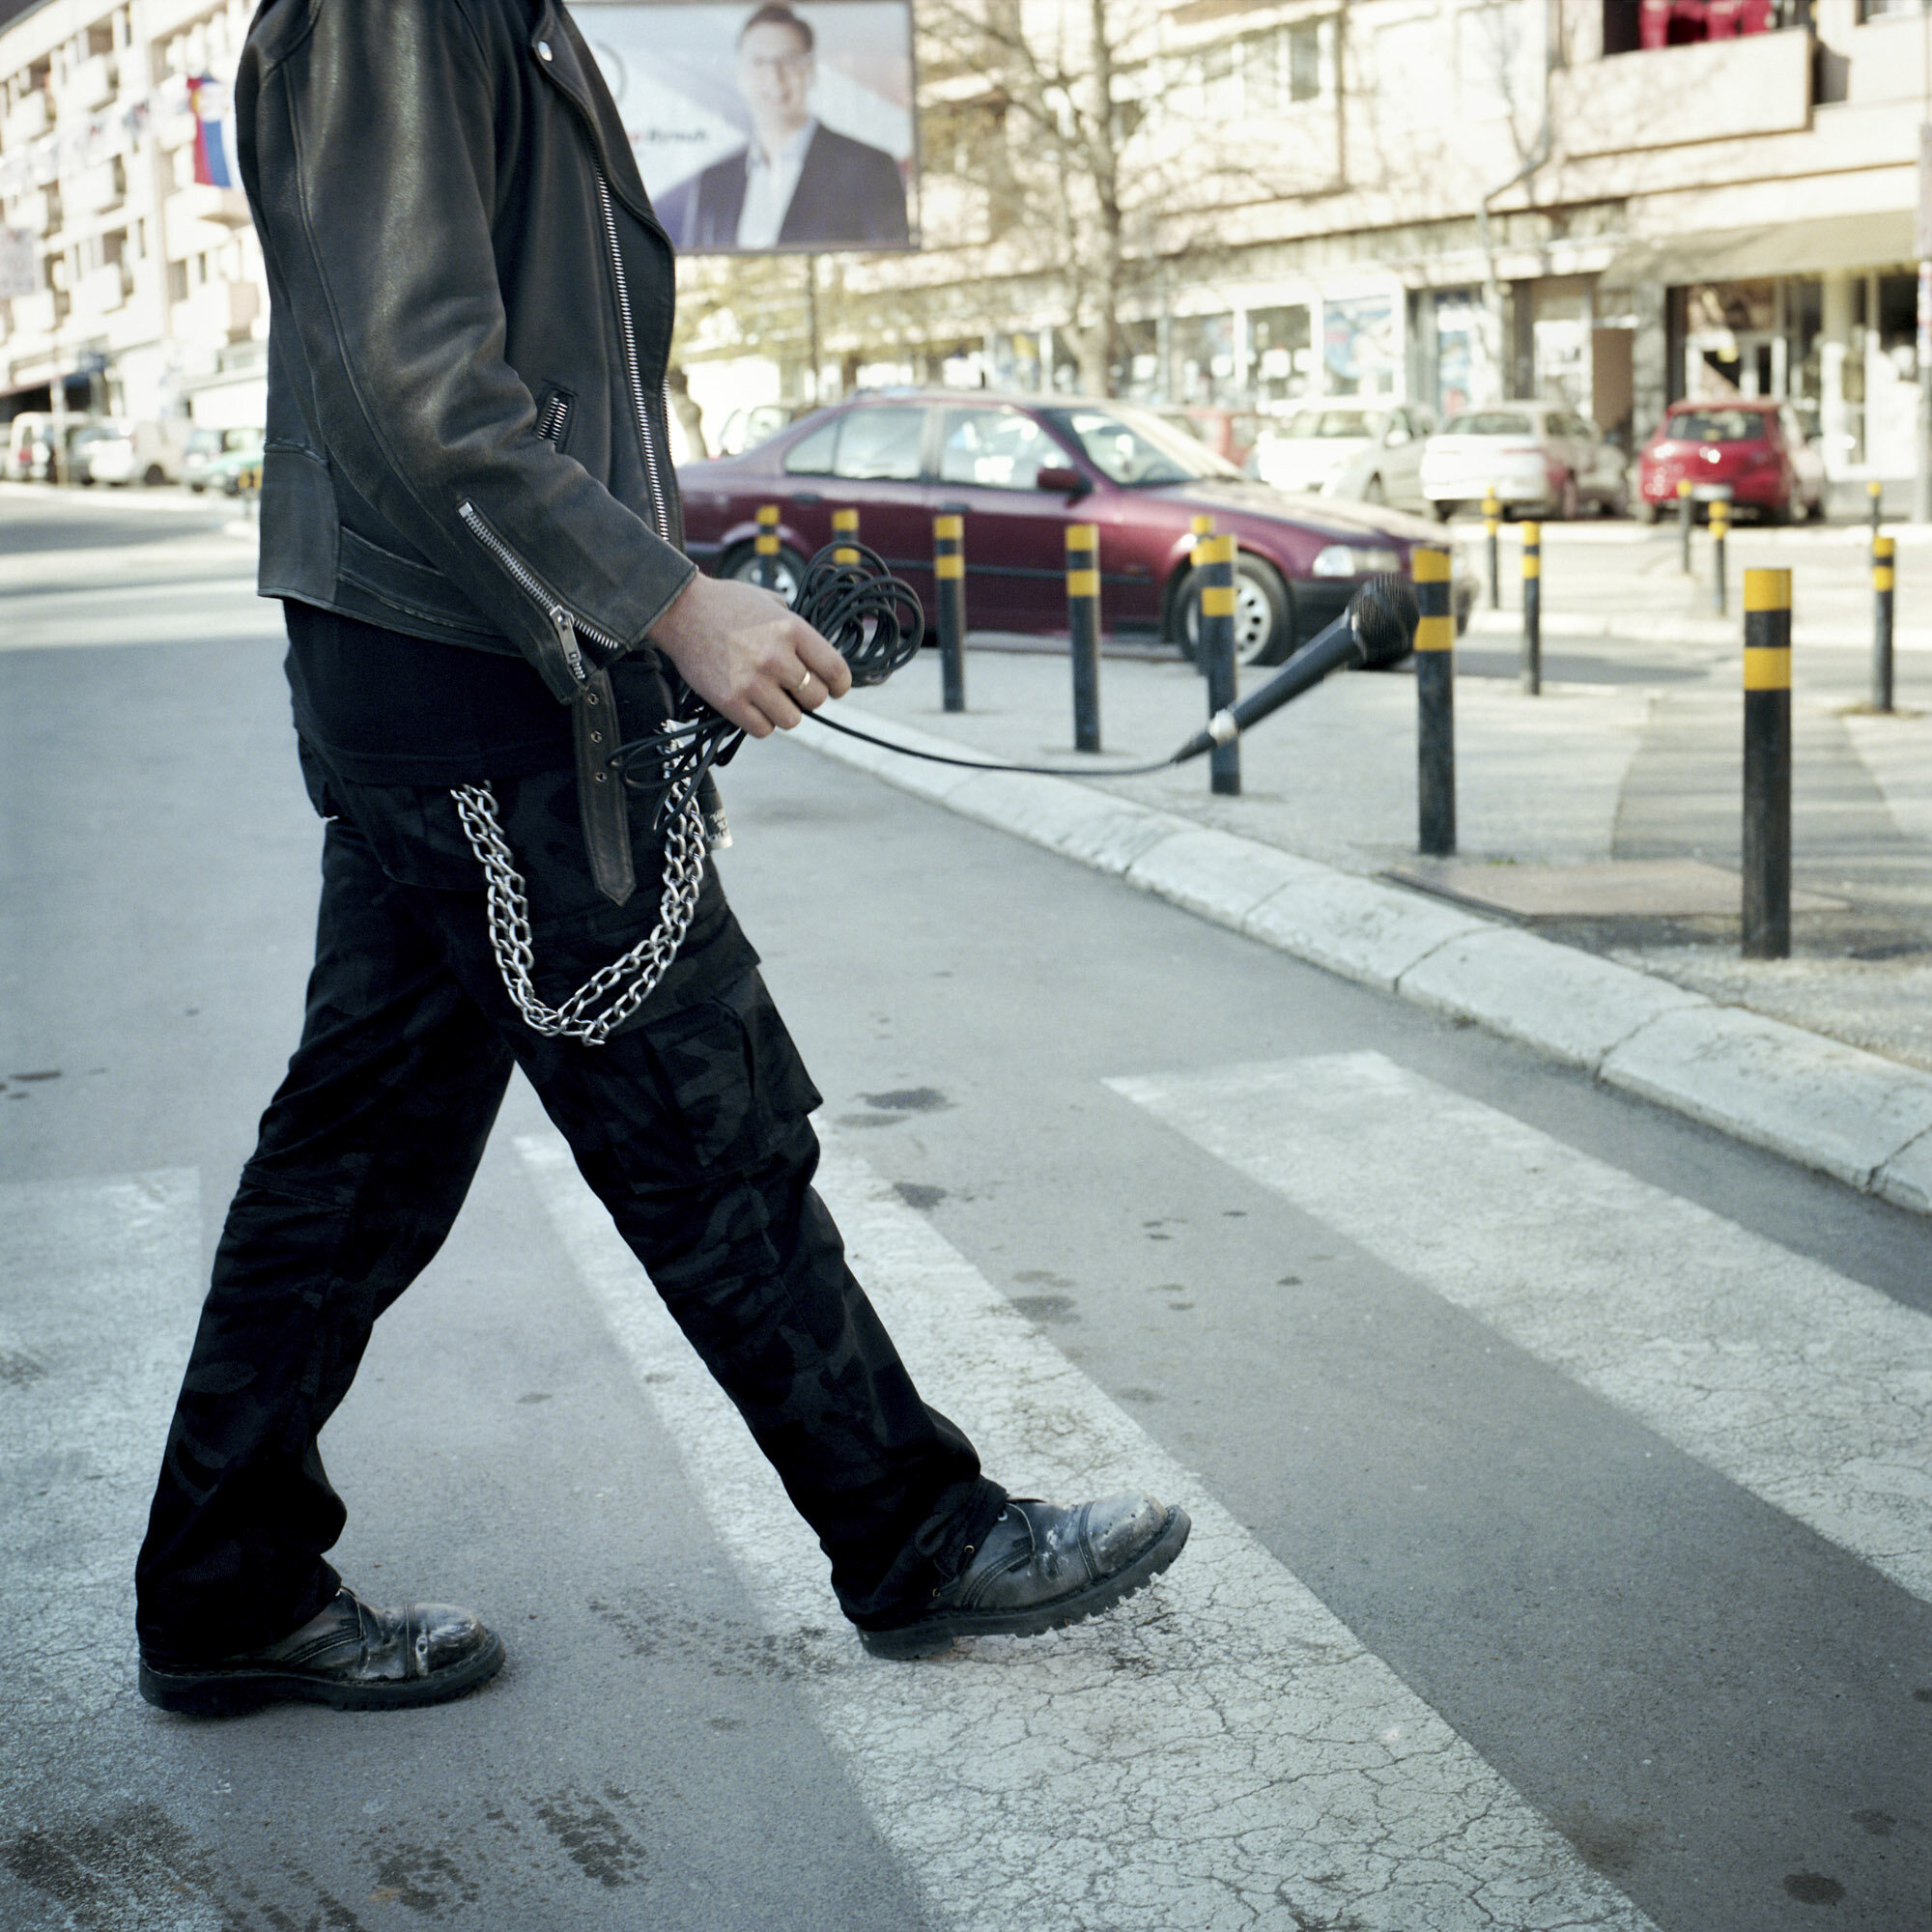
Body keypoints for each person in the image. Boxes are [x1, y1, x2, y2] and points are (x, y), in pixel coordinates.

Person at [131, 0, 1187, 1717]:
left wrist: (693, 572)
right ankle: (915, 1534)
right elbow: (419, 383)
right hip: (482, 691)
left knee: (353, 1165)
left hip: (467, 677)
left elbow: (533, 392)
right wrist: (663, 603)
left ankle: (220, 1583)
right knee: (704, 1124)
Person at [656, 3, 910, 252]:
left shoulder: (869, 168)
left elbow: (889, 264)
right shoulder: (711, 184)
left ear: (810, 70)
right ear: (740, 74)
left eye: (788, 61)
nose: (774, 77)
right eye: (759, 62)